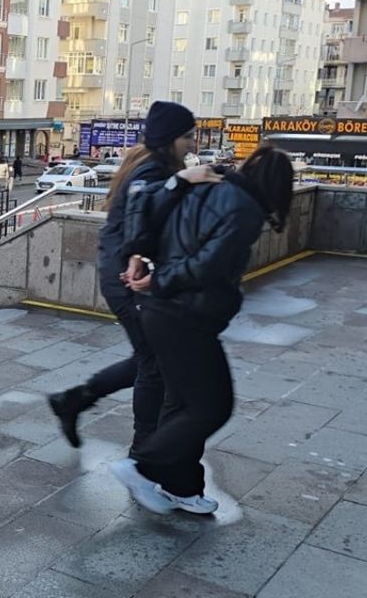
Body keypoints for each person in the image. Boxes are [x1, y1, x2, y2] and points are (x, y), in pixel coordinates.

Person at [109, 145, 294, 515]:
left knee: (181, 403)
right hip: (185, 316)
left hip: (162, 312)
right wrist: (161, 278)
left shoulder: (205, 187)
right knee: (213, 406)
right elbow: (208, 264)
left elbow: (144, 210)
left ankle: (182, 487)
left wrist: (142, 260)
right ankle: (141, 467)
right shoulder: (244, 209)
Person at [47, 101, 204, 453]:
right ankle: (142, 453)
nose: (192, 144)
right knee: (154, 365)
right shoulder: (152, 174)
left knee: (151, 359)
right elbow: (143, 214)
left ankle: (74, 401)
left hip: (125, 273)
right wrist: (180, 183)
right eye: (187, 136)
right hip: (128, 278)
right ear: (169, 139)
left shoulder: (148, 163)